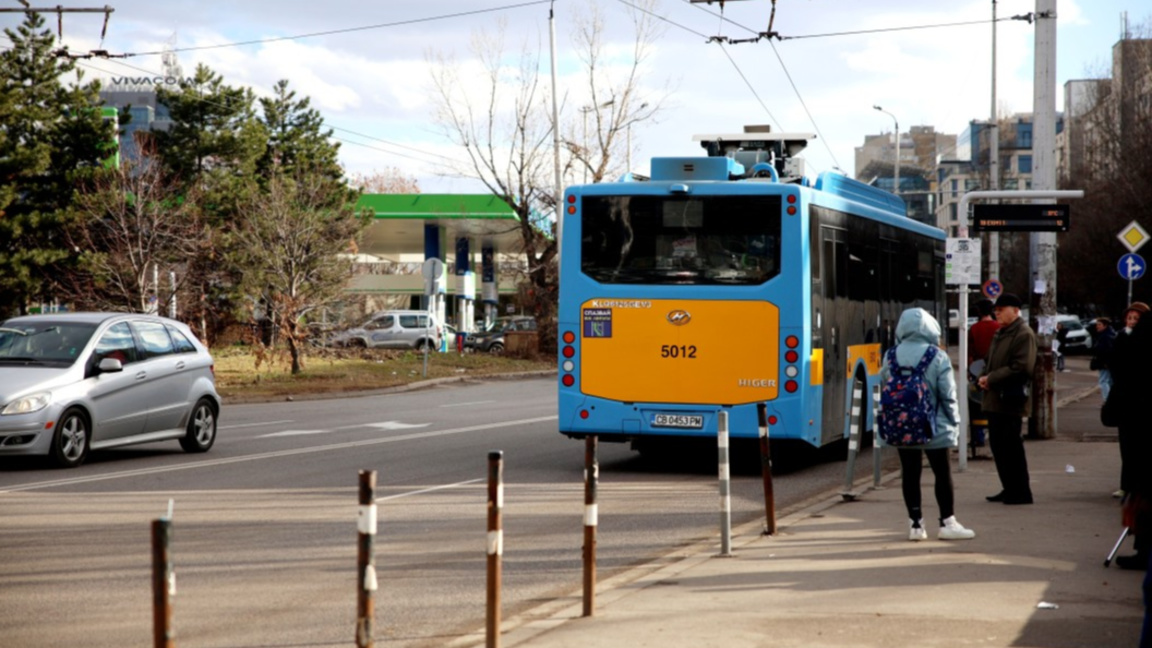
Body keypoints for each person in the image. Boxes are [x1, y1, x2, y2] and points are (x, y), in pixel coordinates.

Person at [881, 307, 975, 541]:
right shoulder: (937, 355)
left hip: (902, 425)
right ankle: (947, 523)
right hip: (935, 424)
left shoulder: (891, 355)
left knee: (909, 474)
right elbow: (948, 394)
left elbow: (885, 384)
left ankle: (915, 525)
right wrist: (955, 421)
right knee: (942, 473)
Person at [977, 293, 1037, 505]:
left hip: (1010, 399)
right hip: (995, 398)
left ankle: (1021, 491)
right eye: (996, 310)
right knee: (998, 446)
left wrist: (991, 378)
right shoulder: (1000, 332)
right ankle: (1009, 487)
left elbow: (1022, 367)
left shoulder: (1023, 333)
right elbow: (989, 360)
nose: (997, 313)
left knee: (1011, 447)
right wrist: (984, 377)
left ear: (1015, 310)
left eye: (1001, 310)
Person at [1108, 301, 1152, 569]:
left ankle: (1144, 549)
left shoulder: (1141, 339)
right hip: (1139, 419)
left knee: (1144, 488)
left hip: (1140, 422)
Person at [967, 299, 1000, 453]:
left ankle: (977, 437)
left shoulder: (974, 328)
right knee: (995, 403)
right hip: (995, 369)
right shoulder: (999, 327)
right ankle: (994, 434)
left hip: (977, 368)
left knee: (976, 404)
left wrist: (970, 370)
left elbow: (970, 353)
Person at [1091, 317, 1116, 402]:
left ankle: (1107, 400)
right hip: (1108, 362)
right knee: (1109, 381)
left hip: (1105, 363)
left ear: (1105, 326)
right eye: (1097, 324)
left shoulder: (1105, 337)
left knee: (1103, 381)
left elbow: (1107, 351)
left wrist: (1105, 362)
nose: (1097, 326)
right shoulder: (1108, 334)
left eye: (1099, 325)